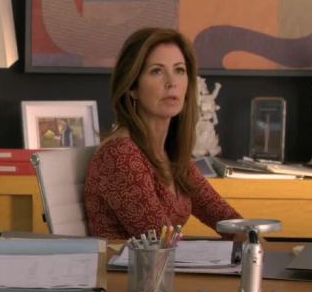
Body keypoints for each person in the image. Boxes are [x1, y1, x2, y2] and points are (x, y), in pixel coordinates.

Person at [84, 27, 241, 239]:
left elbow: (228, 220)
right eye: (157, 71)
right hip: (130, 262)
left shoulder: (171, 154)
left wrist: (255, 244)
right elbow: (162, 243)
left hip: (165, 261)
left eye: (179, 70)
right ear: (132, 87)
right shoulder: (120, 154)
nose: (171, 83)